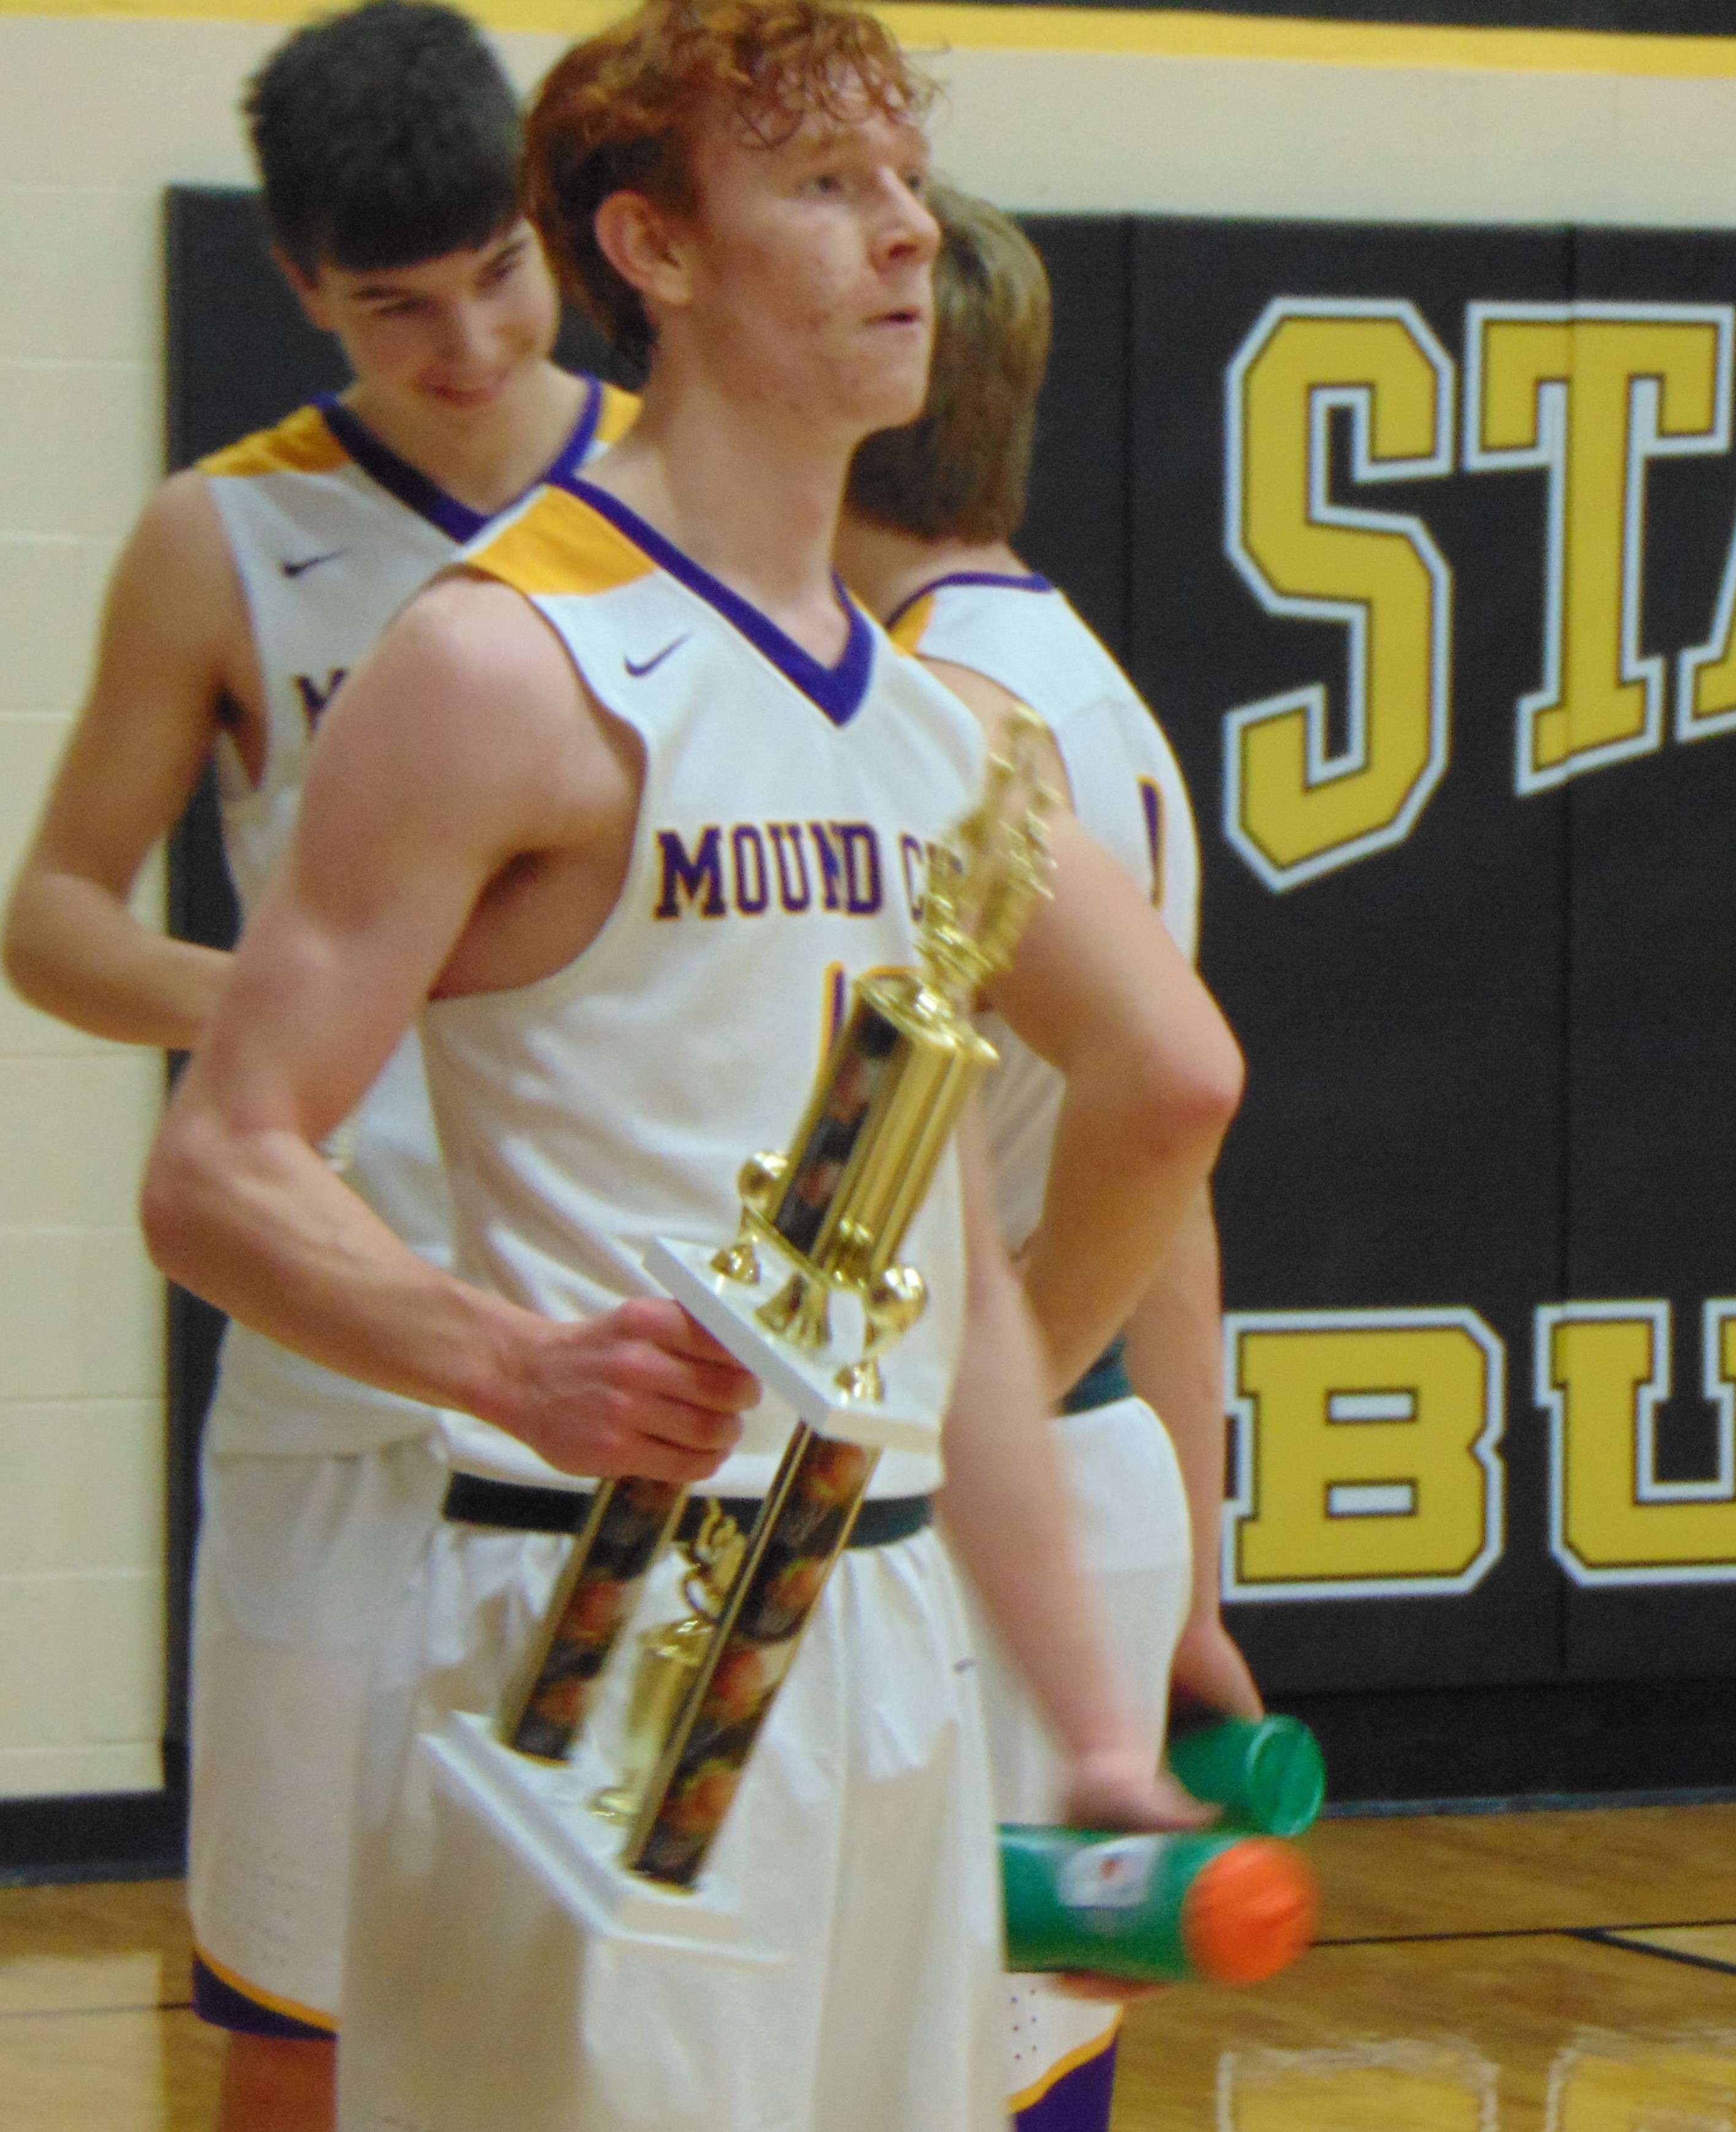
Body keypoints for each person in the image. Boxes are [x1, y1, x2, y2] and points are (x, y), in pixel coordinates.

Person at [137, 2, 1236, 2126]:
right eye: (827, 189)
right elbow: (220, 1167)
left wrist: (1030, 1581)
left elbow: (1113, 1142)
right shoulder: (499, 657)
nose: (905, 235)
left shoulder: (957, 739)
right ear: (650, 246)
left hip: (886, 1628)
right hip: (587, 1620)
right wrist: (494, 1354)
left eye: (907, 181)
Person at [1, 6, 622, 2125]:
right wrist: (279, 1010)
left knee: (617, 2004)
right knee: (296, 2009)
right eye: (398, 308)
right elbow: (56, 916)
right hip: (336, 1363)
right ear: (298, 287)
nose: (465, 345)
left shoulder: (672, 499)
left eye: (501, 278)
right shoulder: (223, 537)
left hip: (610, 1350)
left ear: (551, 229)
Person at [838, 185, 1262, 2131]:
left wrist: (950, 1421)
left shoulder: (943, 723)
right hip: (1082, 1469)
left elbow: (1176, 1106)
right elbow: (1174, 1187)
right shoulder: (1097, 688)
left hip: (962, 1483)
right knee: (1037, 2075)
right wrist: (1193, 1572)